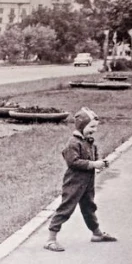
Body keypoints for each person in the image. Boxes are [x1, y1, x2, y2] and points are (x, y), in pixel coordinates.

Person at [44, 107, 117, 252]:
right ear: (82, 125)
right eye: (91, 127)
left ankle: (96, 234)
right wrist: (93, 164)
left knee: (89, 207)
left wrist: (100, 163)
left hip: (88, 182)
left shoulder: (89, 142)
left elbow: (93, 158)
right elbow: (73, 162)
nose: (94, 130)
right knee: (66, 208)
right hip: (74, 182)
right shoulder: (73, 143)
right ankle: (51, 239)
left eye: (95, 127)